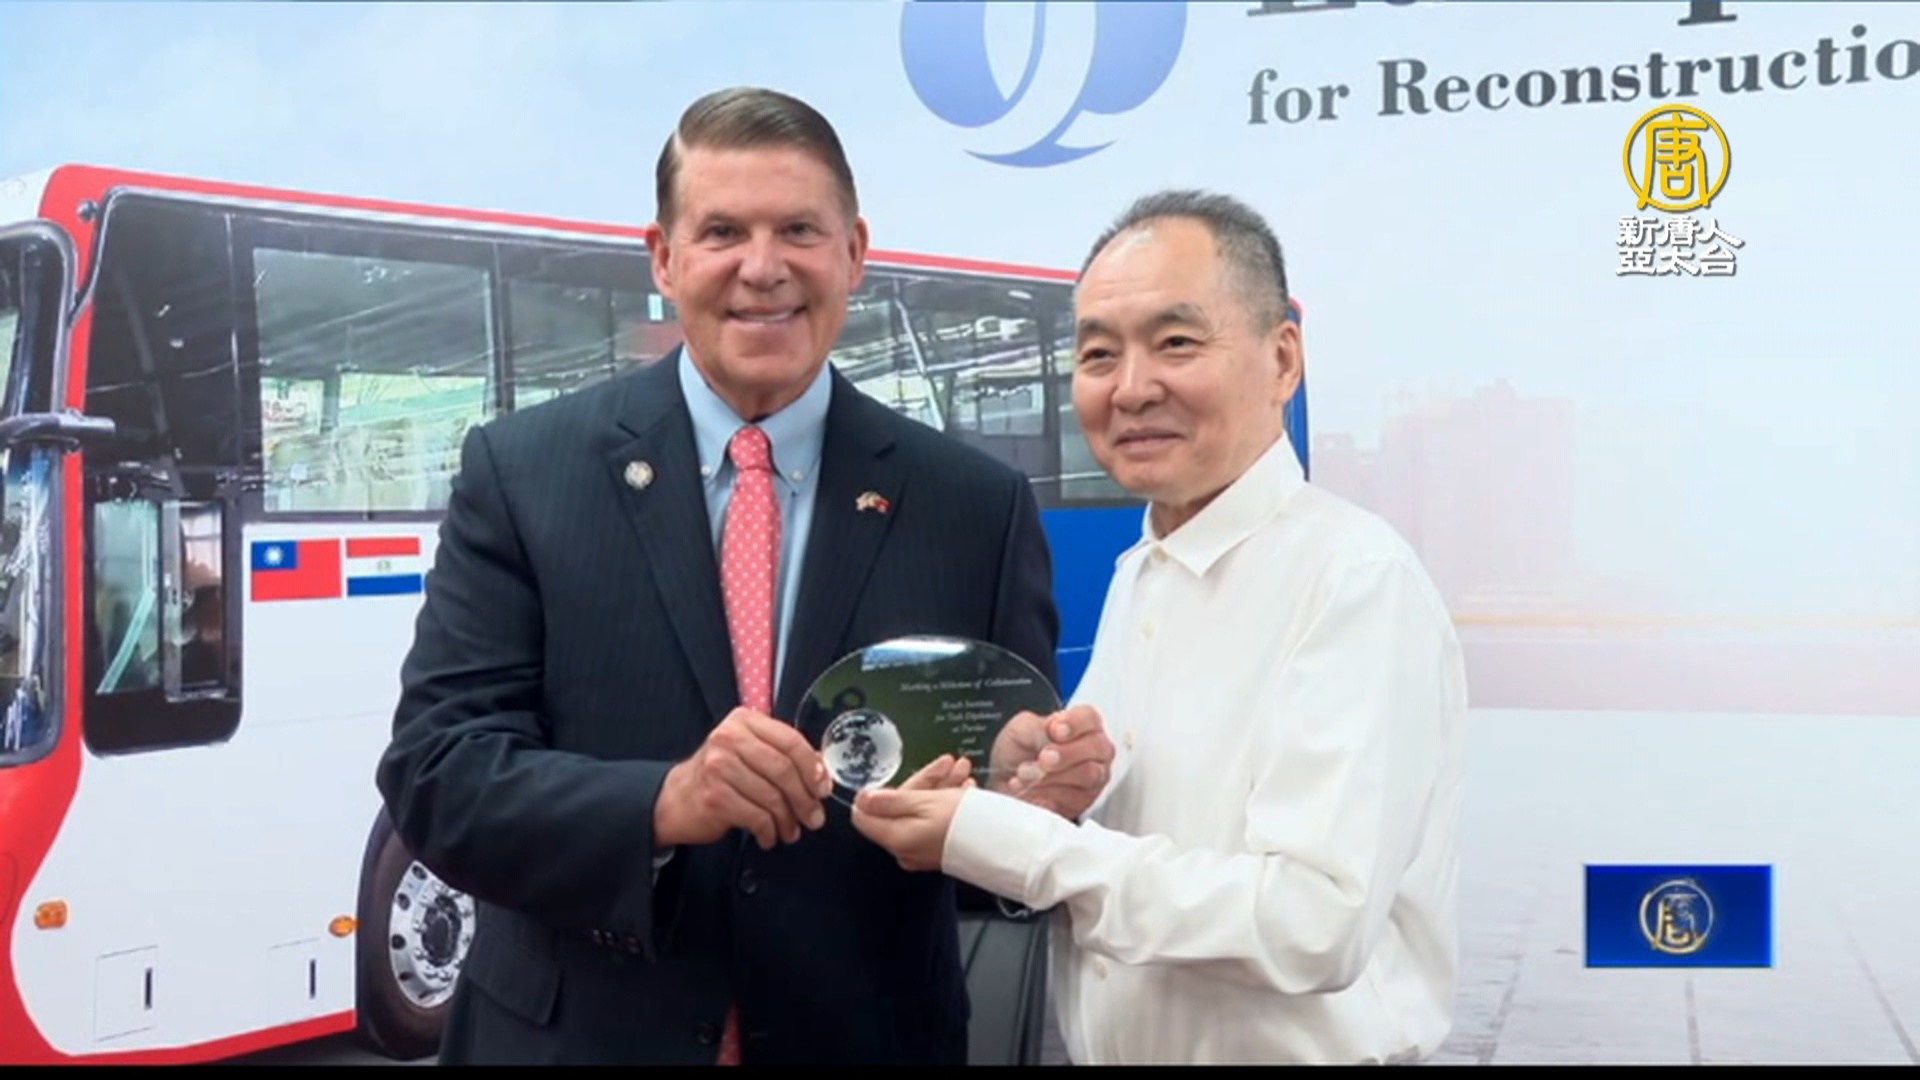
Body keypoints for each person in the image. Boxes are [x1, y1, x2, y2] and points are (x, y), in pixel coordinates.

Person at [373, 86, 1110, 1066]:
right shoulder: (523, 473)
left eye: (798, 230)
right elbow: (439, 775)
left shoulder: (974, 506)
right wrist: (665, 802)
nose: (763, 268)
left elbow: (992, 823)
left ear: (854, 251)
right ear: (664, 257)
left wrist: (1038, 803)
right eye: (723, 231)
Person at [851, 190, 1469, 1065]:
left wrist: (1017, 844)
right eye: (1099, 354)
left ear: (1282, 359)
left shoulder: (1355, 580)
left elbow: (1314, 923)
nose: (1132, 388)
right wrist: (1055, 789)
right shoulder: (1141, 570)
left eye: (1176, 342)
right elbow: (1149, 849)